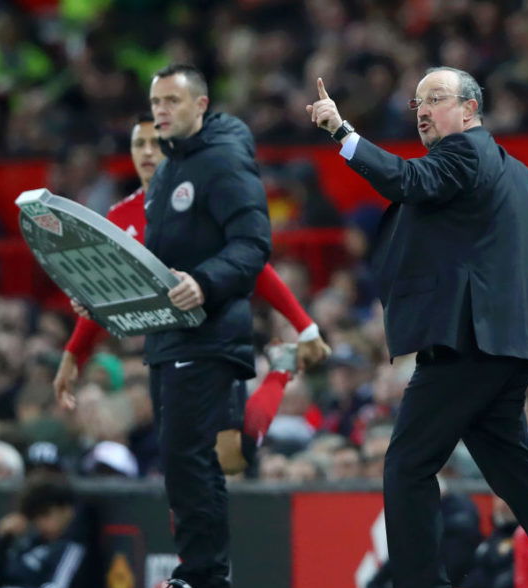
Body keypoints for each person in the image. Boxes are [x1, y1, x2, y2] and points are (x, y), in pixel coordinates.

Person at [307, 66, 528, 588]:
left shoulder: (464, 154)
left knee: (408, 464)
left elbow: (405, 180)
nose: (423, 111)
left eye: (436, 99)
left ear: (470, 109)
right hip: (506, 344)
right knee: (515, 474)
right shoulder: (516, 171)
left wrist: (342, 132)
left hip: (469, 342)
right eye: (417, 102)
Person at [53, 113, 330, 474]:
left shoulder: (202, 202)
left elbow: (250, 265)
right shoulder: (119, 218)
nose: (147, 152)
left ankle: (279, 372)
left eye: (156, 143)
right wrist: (73, 355)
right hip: (162, 349)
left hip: (214, 337)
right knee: (190, 462)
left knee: (228, 459)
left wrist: (305, 326)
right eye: (139, 144)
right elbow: (103, 294)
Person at [99, 63, 271, 588]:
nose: (161, 112)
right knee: (182, 461)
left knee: (189, 460)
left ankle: (201, 581)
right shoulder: (172, 168)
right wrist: (105, 297)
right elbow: (158, 265)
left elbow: (253, 244)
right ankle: (203, 582)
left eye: (172, 101)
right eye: (156, 102)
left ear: (201, 105)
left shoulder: (221, 161)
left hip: (207, 333)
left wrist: (205, 281)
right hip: (170, 336)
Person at [0, 477, 102, 588]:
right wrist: (1, 543)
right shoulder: (33, 543)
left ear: (66, 511)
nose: (40, 523)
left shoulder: (73, 546)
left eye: (46, 514)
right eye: (35, 517)